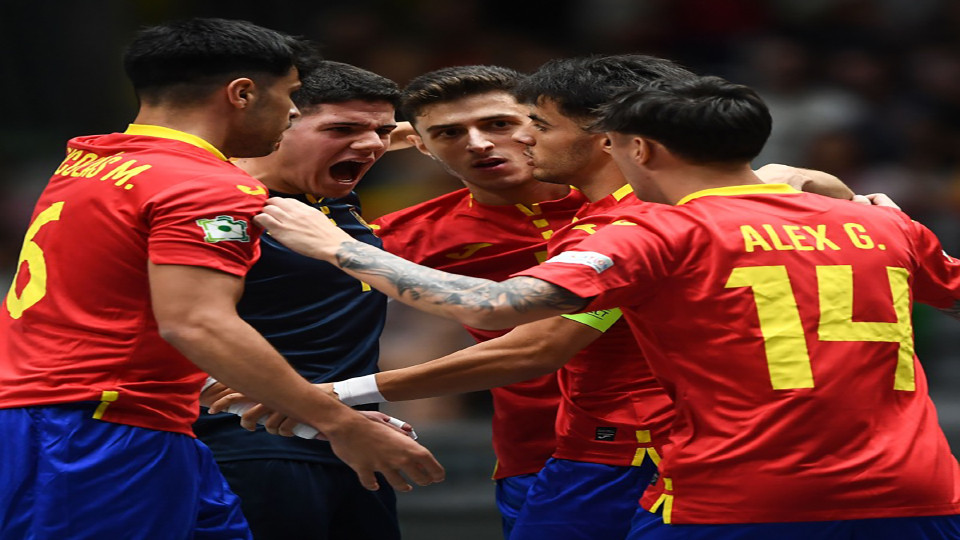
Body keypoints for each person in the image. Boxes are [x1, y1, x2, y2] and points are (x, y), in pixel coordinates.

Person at [253, 75, 960, 539]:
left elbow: (516, 322)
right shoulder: (886, 223)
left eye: (528, 123)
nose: (518, 140)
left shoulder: (648, 227)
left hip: (723, 486)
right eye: (447, 134)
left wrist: (337, 258)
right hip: (913, 489)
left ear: (629, 144)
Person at [0, 18, 442, 540]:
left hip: (110, 417)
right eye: (291, 96)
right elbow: (196, 325)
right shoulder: (210, 188)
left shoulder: (92, 159)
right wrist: (339, 424)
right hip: (100, 428)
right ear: (243, 93)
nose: (294, 111)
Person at [193, 59, 423, 540]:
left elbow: (386, 135)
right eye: (342, 129)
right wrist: (324, 420)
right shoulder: (219, 206)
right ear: (279, 122)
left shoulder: (327, 190)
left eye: (382, 131)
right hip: (257, 447)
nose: (371, 145)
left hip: (354, 442)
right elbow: (182, 330)